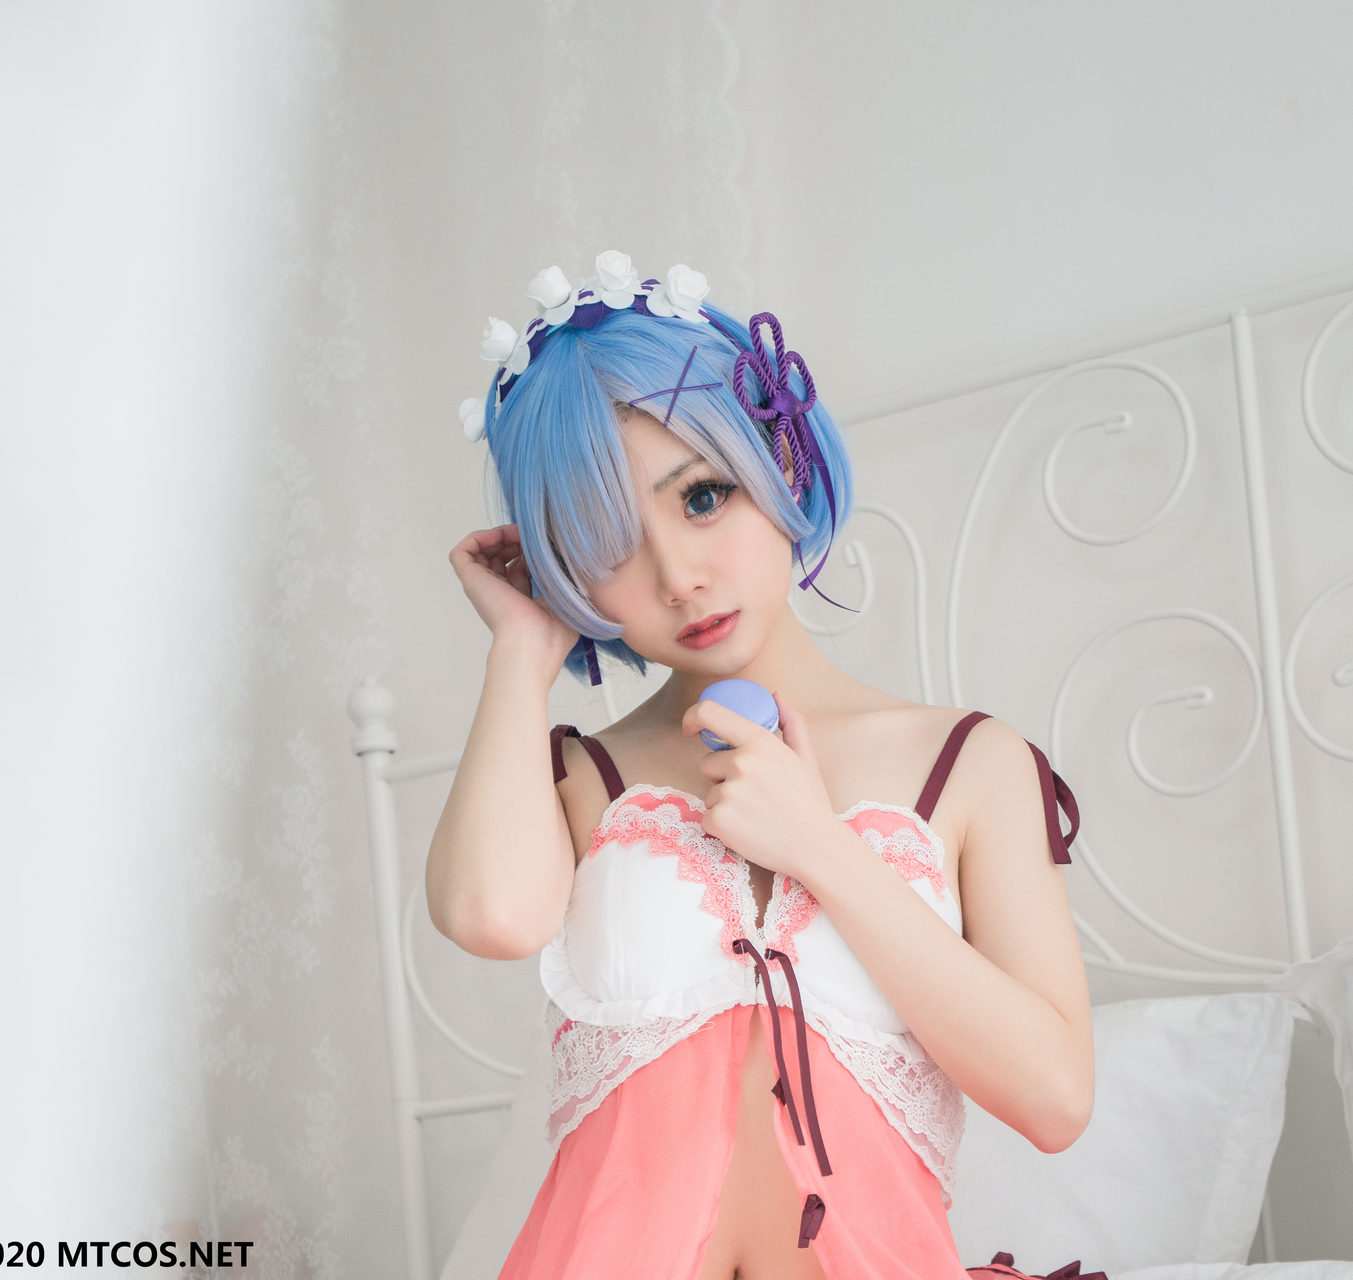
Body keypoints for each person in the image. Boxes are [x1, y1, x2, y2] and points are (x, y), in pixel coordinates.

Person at [428, 252, 1096, 1280]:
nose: (677, 576)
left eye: (701, 497)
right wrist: (521, 650)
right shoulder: (579, 777)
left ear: (780, 458)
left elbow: (1054, 1099)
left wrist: (821, 849)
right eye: (606, 545)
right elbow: (491, 918)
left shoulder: (969, 763)